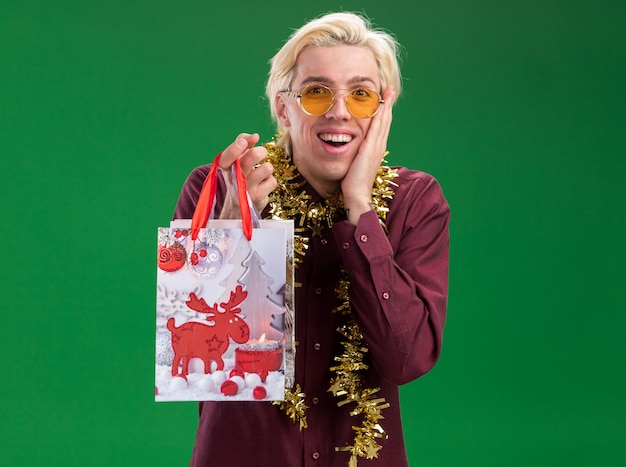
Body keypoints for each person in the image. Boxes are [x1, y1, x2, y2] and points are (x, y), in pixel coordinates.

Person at [173, 11, 450, 467]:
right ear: (283, 107)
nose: (339, 111)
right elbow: (196, 370)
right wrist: (227, 235)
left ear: (382, 110)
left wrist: (360, 207)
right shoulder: (221, 186)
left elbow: (408, 360)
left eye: (361, 95)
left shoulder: (415, 201)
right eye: (317, 92)